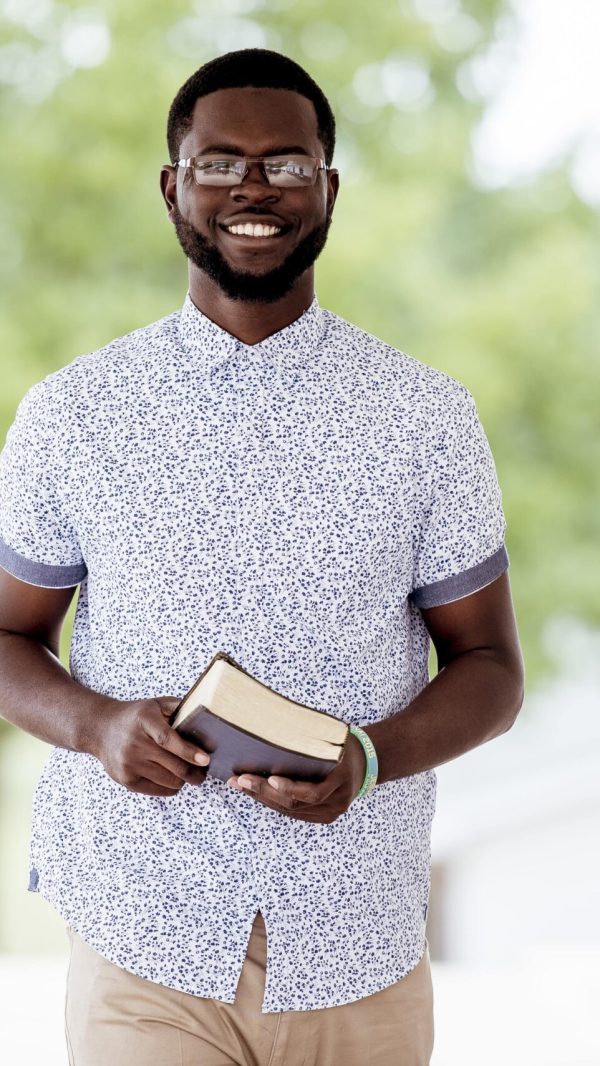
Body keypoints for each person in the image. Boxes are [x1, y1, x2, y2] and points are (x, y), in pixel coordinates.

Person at [0, 48, 524, 1066]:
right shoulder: (72, 415)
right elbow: (6, 634)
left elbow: (492, 671)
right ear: (172, 186)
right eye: (219, 162)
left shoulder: (426, 418)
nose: (253, 187)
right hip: (143, 942)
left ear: (328, 188)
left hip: (358, 950)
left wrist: (369, 758)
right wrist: (98, 723)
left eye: (287, 165)